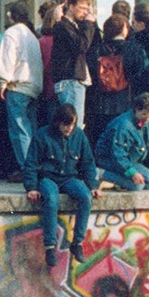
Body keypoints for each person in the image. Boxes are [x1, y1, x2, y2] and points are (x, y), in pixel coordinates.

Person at [25, 103, 99, 268]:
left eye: (72, 125)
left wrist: (93, 185)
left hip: (69, 177)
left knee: (85, 197)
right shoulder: (42, 135)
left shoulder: (79, 135)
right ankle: (50, 247)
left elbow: (87, 163)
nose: (69, 128)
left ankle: (77, 242)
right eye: (66, 124)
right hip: (48, 177)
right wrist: (31, 187)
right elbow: (30, 163)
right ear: (58, 122)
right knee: (52, 199)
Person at [0, 0, 45, 172]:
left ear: (11, 16)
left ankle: (27, 168)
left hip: (17, 86)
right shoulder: (32, 36)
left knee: (19, 130)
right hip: (33, 87)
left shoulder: (11, 33)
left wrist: (2, 81)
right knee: (30, 129)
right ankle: (34, 165)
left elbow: (7, 59)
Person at [50, 0, 99, 131]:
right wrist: (88, 24)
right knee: (73, 125)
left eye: (87, 9)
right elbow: (82, 46)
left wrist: (90, 25)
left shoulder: (75, 26)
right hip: (71, 81)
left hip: (75, 80)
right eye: (82, 8)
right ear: (71, 6)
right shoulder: (63, 26)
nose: (85, 12)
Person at [95, 92, 149, 190]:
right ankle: (102, 174)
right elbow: (118, 155)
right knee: (138, 186)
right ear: (136, 109)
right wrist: (132, 173)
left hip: (131, 160)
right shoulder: (124, 125)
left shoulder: (148, 122)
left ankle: (116, 183)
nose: (147, 120)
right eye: (144, 115)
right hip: (111, 160)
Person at [87, 14, 131, 143]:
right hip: (123, 99)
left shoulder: (96, 49)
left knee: (101, 137)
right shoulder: (131, 48)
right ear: (123, 29)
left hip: (100, 101)